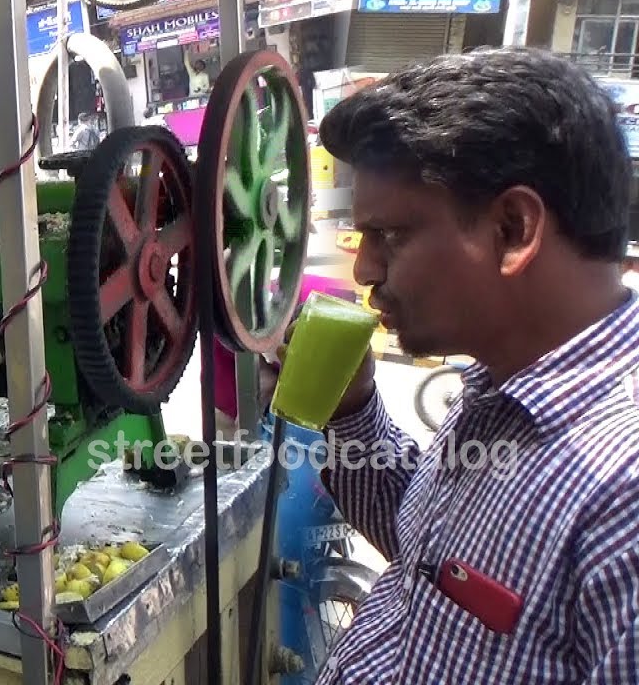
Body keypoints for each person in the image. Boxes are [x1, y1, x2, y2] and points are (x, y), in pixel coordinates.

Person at [269, 47, 639, 683]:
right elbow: (426, 552)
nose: (364, 270)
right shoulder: (500, 388)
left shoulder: (621, 503)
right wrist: (352, 411)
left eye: (392, 236)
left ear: (514, 229)